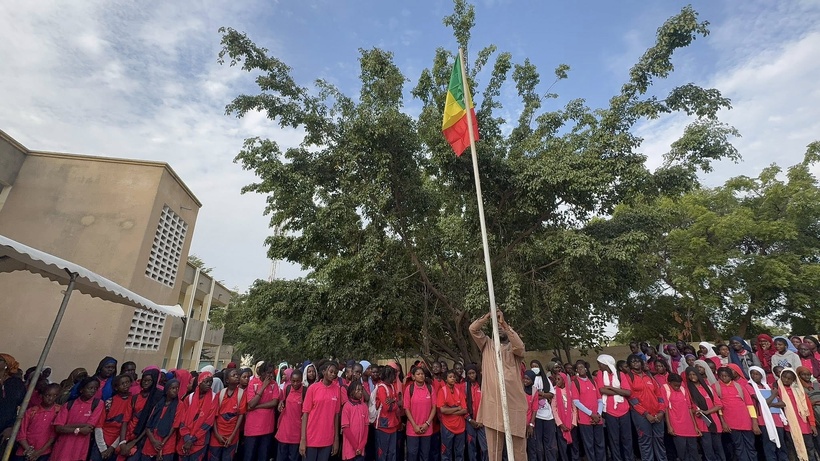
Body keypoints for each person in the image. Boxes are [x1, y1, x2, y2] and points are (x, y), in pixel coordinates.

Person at [468, 311, 527, 461]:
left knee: (519, 451)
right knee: (493, 452)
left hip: (514, 406)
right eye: (497, 327)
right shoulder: (487, 345)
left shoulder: (515, 350)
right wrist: (488, 316)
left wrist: (504, 324)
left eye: (502, 328)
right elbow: (473, 329)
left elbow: (520, 346)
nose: (499, 328)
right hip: (493, 406)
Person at [624, 354, 666, 461]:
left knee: (659, 440)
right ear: (629, 365)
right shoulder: (628, 377)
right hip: (641, 415)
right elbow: (632, 399)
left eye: (638, 361)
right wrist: (646, 414)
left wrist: (661, 411)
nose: (636, 363)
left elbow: (659, 395)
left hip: (657, 413)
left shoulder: (649, 376)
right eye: (633, 362)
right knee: (645, 441)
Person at [52, 376, 104, 461]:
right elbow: (58, 428)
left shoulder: (98, 404)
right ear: (81, 390)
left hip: (80, 446)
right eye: (90, 388)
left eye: (95, 388)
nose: (93, 391)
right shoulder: (69, 405)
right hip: (63, 445)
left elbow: (89, 426)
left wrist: (67, 426)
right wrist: (79, 430)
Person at [715, 367, 759, 461]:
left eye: (726, 376)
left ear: (731, 376)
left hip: (746, 422)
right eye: (721, 376)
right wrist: (723, 422)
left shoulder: (739, 387)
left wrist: (754, 422)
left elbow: (750, 405)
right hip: (731, 423)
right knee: (739, 447)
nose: (724, 378)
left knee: (751, 446)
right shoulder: (716, 387)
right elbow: (718, 407)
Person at [300, 361, 342, 461]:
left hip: (327, 439)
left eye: (335, 373)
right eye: (331, 371)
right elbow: (305, 414)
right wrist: (303, 439)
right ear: (323, 372)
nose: (333, 374)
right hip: (311, 438)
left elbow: (336, 416)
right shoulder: (313, 388)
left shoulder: (336, 389)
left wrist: (336, 439)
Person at [120, 368, 163, 459]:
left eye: (149, 381)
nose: (146, 383)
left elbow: (150, 422)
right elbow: (125, 420)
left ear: (154, 381)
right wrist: (122, 442)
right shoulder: (135, 397)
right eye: (144, 380)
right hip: (129, 433)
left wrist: (134, 442)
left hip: (143, 437)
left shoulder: (157, 398)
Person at [684, 367, 725, 461]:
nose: (692, 377)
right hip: (702, 423)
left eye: (694, 374)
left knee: (718, 448)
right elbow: (689, 408)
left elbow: (719, 405)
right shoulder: (688, 391)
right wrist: (697, 412)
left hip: (714, 422)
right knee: (708, 449)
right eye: (689, 375)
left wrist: (707, 412)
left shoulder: (708, 388)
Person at [776, 369, 817, 461]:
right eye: (784, 377)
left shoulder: (799, 390)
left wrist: (812, 424)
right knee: (794, 449)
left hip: (804, 424)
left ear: (793, 380)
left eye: (789, 378)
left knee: (810, 448)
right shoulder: (777, 390)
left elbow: (808, 407)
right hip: (790, 426)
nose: (786, 380)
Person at [747, 366, 787, 461]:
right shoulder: (750, 386)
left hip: (777, 419)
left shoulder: (767, 386)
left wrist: (770, 403)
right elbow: (763, 402)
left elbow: (782, 403)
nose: (754, 376)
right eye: (752, 373)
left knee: (781, 446)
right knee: (769, 447)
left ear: (762, 376)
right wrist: (773, 395)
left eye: (757, 374)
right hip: (764, 420)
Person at [596, 354, 631, 461]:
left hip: (624, 410)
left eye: (600, 364)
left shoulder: (620, 374)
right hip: (609, 411)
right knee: (614, 439)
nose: (599, 366)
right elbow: (602, 390)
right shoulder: (600, 374)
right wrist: (619, 390)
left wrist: (611, 387)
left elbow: (628, 392)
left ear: (605, 364)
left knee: (627, 438)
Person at [13, 382, 60, 461]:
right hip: (24, 450)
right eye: (48, 395)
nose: (51, 398)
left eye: (54, 396)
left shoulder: (58, 411)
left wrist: (39, 452)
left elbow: (53, 436)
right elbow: (22, 434)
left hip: (44, 452)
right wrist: (29, 451)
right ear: (41, 395)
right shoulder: (31, 411)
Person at [91, 374, 133, 461]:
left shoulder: (133, 401)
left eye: (127, 382)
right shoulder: (109, 402)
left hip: (119, 442)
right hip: (101, 441)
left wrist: (112, 447)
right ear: (116, 388)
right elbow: (99, 426)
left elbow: (126, 426)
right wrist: (103, 448)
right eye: (122, 383)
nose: (125, 385)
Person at [177, 371, 217, 461]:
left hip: (200, 440)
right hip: (185, 437)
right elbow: (182, 419)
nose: (209, 384)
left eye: (211, 382)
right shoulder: (189, 398)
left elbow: (208, 422)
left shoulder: (214, 398)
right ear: (199, 382)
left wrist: (192, 439)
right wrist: (187, 438)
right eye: (206, 381)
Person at [244, 361, 280, 461]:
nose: (270, 375)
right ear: (262, 373)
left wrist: (257, 406)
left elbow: (274, 402)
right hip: (252, 428)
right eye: (268, 373)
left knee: (263, 456)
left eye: (272, 372)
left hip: (267, 428)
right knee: (249, 456)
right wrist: (263, 386)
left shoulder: (274, 385)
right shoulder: (252, 383)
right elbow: (251, 404)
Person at [209, 368, 247, 461]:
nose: (237, 376)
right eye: (233, 375)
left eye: (237, 375)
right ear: (227, 380)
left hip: (232, 436)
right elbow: (214, 416)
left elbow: (240, 416)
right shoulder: (220, 394)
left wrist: (232, 436)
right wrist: (217, 435)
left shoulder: (242, 394)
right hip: (217, 435)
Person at [570, 362, 604, 461]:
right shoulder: (575, 383)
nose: (581, 369)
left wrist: (598, 414)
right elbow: (576, 402)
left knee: (600, 444)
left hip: (598, 418)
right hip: (585, 419)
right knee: (589, 444)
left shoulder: (593, 382)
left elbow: (600, 400)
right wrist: (591, 414)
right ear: (576, 371)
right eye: (578, 368)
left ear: (586, 368)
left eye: (582, 367)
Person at [141, 379, 182, 461]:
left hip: (167, 443)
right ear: (167, 390)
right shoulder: (159, 403)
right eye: (173, 388)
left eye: (177, 388)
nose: (176, 390)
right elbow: (148, 424)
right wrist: (153, 441)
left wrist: (161, 445)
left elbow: (174, 426)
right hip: (151, 442)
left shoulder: (179, 404)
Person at [662, 373, 698, 461]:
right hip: (676, 425)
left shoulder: (683, 389)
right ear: (669, 383)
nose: (677, 387)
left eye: (679, 385)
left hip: (689, 425)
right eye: (675, 385)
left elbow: (689, 408)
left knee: (693, 451)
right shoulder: (665, 389)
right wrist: (669, 427)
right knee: (682, 452)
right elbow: (666, 409)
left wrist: (695, 426)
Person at [404, 367, 436, 461]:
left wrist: (427, 423)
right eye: (418, 374)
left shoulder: (430, 388)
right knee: (412, 454)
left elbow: (434, 407)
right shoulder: (409, 389)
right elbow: (406, 408)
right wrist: (414, 425)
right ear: (413, 377)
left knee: (425, 455)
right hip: (412, 429)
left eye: (422, 374)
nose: (421, 376)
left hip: (427, 428)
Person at [277, 369, 306, 461]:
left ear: (301, 380)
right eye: (293, 381)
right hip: (284, 431)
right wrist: (281, 403)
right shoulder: (288, 388)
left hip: (296, 433)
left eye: (298, 381)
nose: (295, 383)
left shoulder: (305, 391)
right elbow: (283, 401)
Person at [438, 370, 467, 461]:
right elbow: (442, 410)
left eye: (454, 377)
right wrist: (457, 408)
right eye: (450, 377)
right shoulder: (442, 391)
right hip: (447, 426)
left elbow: (465, 410)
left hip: (460, 426)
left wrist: (449, 410)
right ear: (446, 379)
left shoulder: (459, 391)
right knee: (446, 452)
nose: (453, 378)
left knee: (460, 452)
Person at [374, 364, 401, 461]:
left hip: (392, 424)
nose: (395, 377)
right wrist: (394, 402)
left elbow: (398, 402)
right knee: (382, 453)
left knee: (392, 452)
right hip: (383, 425)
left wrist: (393, 401)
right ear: (389, 376)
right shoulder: (381, 388)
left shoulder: (392, 387)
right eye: (393, 375)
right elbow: (387, 407)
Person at [0, 353, 26, 450]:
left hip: (6, 427)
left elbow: (21, 407)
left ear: (6, 365)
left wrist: (12, 427)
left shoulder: (15, 384)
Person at [550, 373, 576, 461]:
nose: (557, 381)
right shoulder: (554, 391)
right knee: (562, 445)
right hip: (561, 422)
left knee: (574, 445)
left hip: (571, 421)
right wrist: (560, 423)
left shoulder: (569, 391)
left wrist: (573, 422)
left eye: (559, 379)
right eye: (556, 379)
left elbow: (574, 408)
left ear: (564, 380)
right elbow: (554, 408)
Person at [464, 364, 487, 461]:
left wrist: (482, 420)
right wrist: (469, 419)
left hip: (482, 421)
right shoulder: (464, 387)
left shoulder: (482, 386)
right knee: (471, 446)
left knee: (485, 447)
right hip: (470, 420)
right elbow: (462, 405)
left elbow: (487, 403)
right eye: (469, 373)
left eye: (473, 373)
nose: (471, 375)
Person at [341, 380, 368, 461]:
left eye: (361, 390)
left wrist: (361, 445)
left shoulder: (364, 406)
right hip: (350, 447)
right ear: (352, 392)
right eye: (358, 390)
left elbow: (366, 427)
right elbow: (346, 428)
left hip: (361, 447)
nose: (360, 392)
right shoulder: (347, 406)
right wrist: (356, 446)